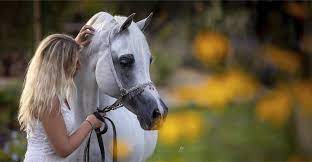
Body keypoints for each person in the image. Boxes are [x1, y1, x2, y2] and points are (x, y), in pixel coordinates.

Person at [18, 25, 102, 162]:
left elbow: (59, 61)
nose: (79, 67)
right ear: (63, 65)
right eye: (75, 62)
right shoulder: (49, 100)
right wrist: (90, 122)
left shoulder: (56, 91)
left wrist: (73, 45)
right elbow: (64, 148)